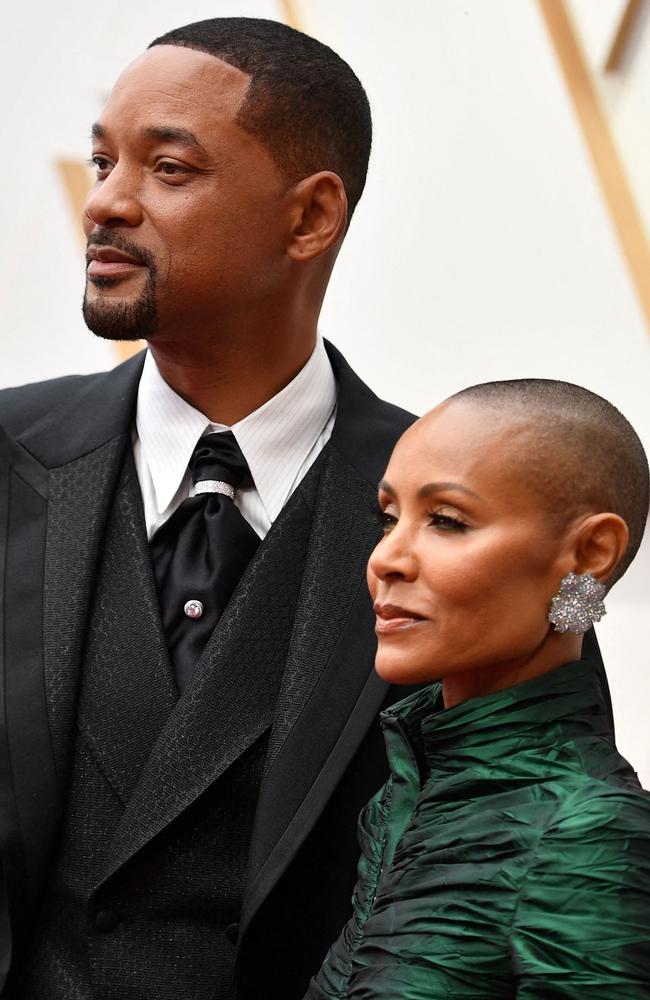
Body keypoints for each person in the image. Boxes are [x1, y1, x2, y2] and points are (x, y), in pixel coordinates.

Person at [0, 17, 421, 1000]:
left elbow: (552, 757)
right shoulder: (6, 453)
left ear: (310, 217)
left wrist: (571, 602)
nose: (105, 201)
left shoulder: (453, 493)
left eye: (168, 169)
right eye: (104, 160)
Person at [306, 378, 650, 999]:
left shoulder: (587, 827)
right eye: (388, 517)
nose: (387, 558)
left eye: (445, 520)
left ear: (590, 554)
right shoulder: (400, 798)